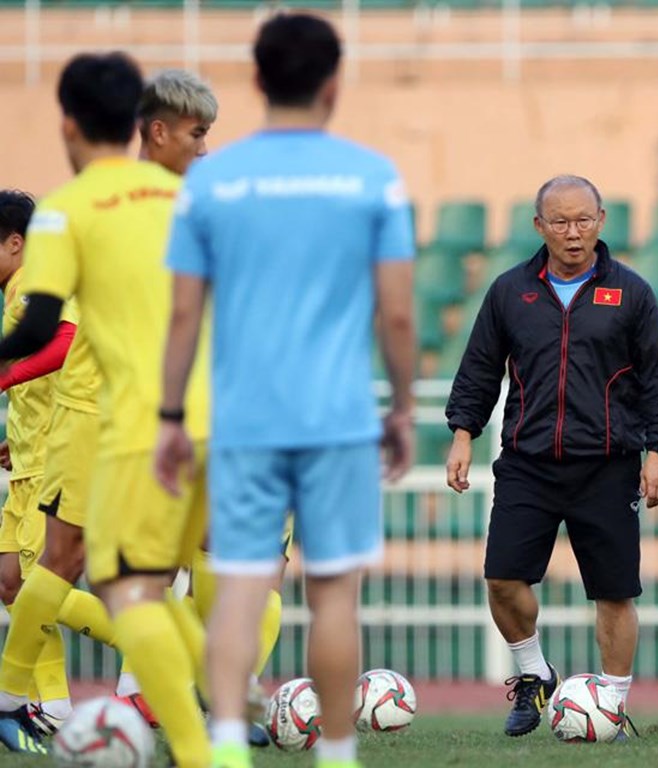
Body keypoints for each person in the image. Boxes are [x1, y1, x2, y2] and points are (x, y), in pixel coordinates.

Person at [156, 13, 416, 768]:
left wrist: (172, 415)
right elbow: (397, 312)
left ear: (258, 80)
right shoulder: (372, 176)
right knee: (332, 594)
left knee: (239, 584)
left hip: (242, 419)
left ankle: (229, 747)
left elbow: (182, 312)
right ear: (334, 83)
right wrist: (399, 407)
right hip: (336, 418)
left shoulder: (212, 182)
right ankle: (336, 754)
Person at [0, 52, 212, 767]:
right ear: (141, 126)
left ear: (66, 122)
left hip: (101, 414)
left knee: (61, 567)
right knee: (147, 582)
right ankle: (202, 722)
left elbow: (41, 330)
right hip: (193, 414)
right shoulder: (186, 201)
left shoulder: (68, 208)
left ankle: (8, 697)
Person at [445, 174, 658, 738]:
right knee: (502, 579)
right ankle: (534, 677)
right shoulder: (510, 291)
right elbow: (479, 367)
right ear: (539, 226)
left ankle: (613, 706)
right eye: (560, 221)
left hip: (608, 464)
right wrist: (463, 433)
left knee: (615, 592)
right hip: (527, 464)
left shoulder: (632, 292)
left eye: (583, 220)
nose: (573, 233)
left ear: (602, 221)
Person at [0, 189, 80, 752]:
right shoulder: (16, 289)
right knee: (8, 579)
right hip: (28, 459)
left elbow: (67, 343)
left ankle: (169, 662)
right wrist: (14, 440)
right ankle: (52, 703)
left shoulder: (32, 282)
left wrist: (2, 378)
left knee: (35, 584)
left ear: (14, 243)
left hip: (54, 461)